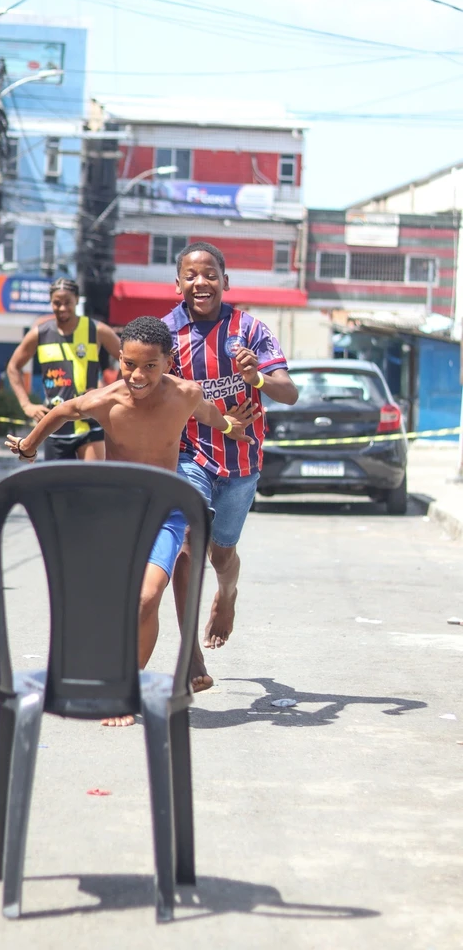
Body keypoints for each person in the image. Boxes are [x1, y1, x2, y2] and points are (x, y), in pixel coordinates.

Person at [6, 315, 258, 726]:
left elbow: (211, 415)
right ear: (119, 359)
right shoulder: (107, 400)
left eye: (150, 366)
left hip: (166, 513)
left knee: (146, 597)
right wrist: (30, 447)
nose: (137, 376)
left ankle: (127, 688)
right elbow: (62, 412)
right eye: (128, 364)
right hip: (117, 515)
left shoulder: (186, 394)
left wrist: (232, 425)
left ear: (169, 362)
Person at [163, 242, 299, 689]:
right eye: (191, 274)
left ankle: (226, 594)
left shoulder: (251, 329)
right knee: (188, 542)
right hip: (191, 456)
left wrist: (255, 376)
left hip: (242, 463)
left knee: (221, 554)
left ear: (225, 279)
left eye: (209, 274)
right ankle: (191, 657)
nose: (200, 282)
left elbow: (288, 392)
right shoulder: (166, 333)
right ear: (179, 282)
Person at [7, 277, 121, 461]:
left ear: (77, 300)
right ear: (50, 302)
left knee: (92, 483)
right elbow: (13, 367)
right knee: (57, 487)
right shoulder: (40, 333)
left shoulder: (96, 330)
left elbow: (127, 359)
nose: (62, 308)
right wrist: (26, 404)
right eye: (56, 303)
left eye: (67, 302)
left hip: (90, 421)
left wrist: (109, 393)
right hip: (54, 425)